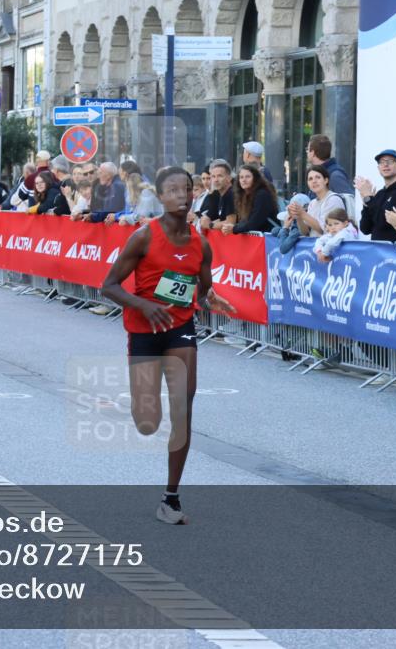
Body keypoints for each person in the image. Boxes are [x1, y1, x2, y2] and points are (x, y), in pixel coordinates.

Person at [100, 166, 235, 525]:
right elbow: (109, 286)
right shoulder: (144, 237)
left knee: (183, 407)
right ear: (160, 197)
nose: (181, 195)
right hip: (143, 330)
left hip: (180, 329)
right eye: (173, 190)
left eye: (186, 189)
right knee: (147, 422)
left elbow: (201, 291)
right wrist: (144, 305)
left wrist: (211, 301)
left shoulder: (200, 243)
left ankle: (170, 498)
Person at [355, 149, 396, 242]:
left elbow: (382, 223)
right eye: (381, 162)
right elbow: (365, 228)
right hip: (377, 252)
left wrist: (369, 198)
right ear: (378, 168)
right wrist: (366, 202)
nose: (385, 164)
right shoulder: (380, 194)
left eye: (390, 161)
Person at [217, 164, 279, 235]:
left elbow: (254, 222)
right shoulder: (245, 195)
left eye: (248, 177)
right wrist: (234, 227)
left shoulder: (262, 194)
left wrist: (234, 228)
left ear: (255, 178)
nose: (244, 180)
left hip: (268, 239)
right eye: (241, 177)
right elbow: (245, 221)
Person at [292, 165, 345, 237]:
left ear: (326, 180)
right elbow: (305, 232)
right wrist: (298, 216)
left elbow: (324, 229)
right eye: (310, 179)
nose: (314, 181)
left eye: (318, 177)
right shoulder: (312, 203)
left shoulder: (333, 199)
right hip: (314, 246)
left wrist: (303, 214)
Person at [199, 159, 234, 231]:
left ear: (229, 178)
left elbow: (230, 223)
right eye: (213, 176)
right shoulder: (219, 195)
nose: (216, 180)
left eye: (220, 176)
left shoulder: (231, 194)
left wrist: (211, 225)